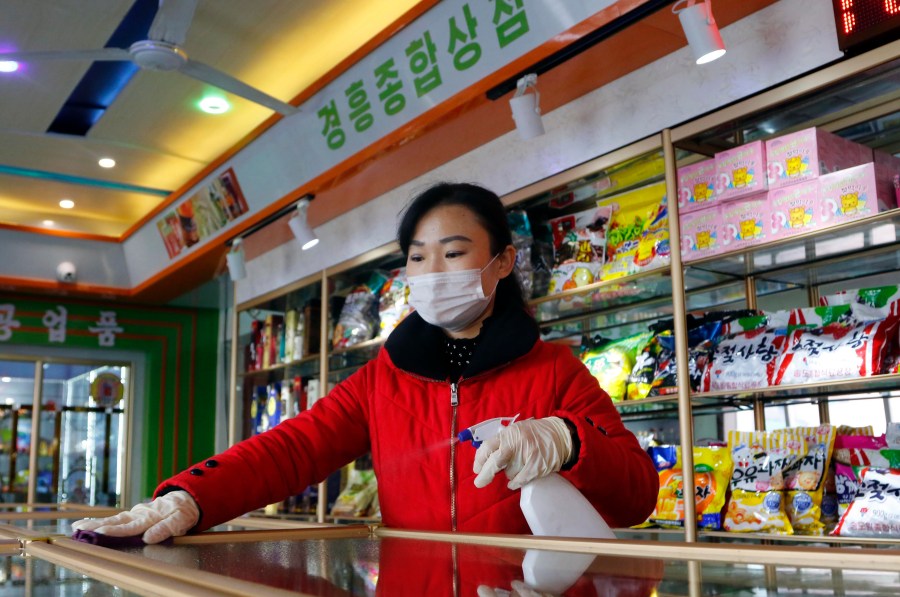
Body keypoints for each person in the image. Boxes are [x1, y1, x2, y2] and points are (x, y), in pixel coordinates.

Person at [72, 182, 658, 544]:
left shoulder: (553, 369)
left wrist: (570, 440)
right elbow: (293, 448)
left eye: (454, 253)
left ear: (503, 262)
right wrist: (188, 498)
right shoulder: (384, 377)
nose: (433, 273)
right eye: (418, 258)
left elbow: (637, 497)